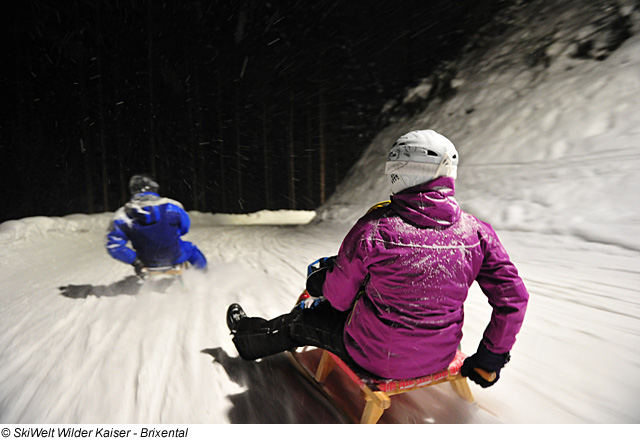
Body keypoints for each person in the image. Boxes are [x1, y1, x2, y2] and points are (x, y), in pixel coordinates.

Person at [226, 130, 529, 387]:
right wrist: (490, 358)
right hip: (442, 354)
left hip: (376, 357)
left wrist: (324, 283)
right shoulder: (476, 231)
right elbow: (513, 298)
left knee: (300, 321)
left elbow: (339, 300)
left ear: (403, 171)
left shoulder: (376, 229)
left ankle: (246, 337)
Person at [106, 174, 207, 277]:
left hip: (145, 260)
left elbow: (114, 246)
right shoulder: (173, 207)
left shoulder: (122, 215)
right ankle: (205, 276)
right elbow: (185, 228)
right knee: (192, 249)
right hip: (175, 255)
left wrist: (136, 261)